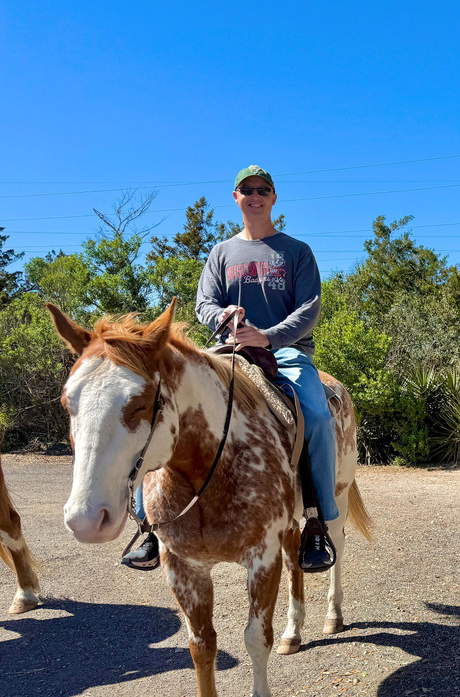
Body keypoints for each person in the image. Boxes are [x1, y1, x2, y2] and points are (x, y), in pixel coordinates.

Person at [122, 165, 337, 571]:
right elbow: (204, 303)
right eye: (247, 190)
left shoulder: (296, 251)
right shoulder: (221, 253)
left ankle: (316, 521)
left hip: (286, 353)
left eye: (263, 189)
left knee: (318, 415)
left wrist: (268, 336)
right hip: (225, 351)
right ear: (235, 197)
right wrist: (225, 316)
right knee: (162, 402)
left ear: (274, 198)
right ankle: (147, 526)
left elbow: (310, 309)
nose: (255, 195)